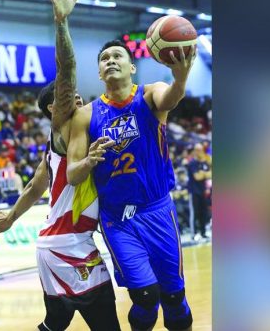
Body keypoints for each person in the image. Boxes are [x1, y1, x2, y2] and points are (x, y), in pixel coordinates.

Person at [0, 0, 120, 331]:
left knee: (55, 322)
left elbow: (32, 190)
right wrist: (62, 23)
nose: (74, 97)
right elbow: (68, 69)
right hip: (68, 243)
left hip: (54, 243)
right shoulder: (63, 126)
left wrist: (11, 218)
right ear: (52, 110)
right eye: (64, 96)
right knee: (106, 319)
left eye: (74, 94)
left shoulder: (55, 151)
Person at [67, 38, 197, 331]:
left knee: (174, 297)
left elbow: (172, 98)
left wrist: (181, 76)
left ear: (132, 68)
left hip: (158, 210)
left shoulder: (150, 95)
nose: (110, 60)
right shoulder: (85, 115)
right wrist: (88, 161)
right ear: (100, 73)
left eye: (117, 56)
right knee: (146, 296)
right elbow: (72, 174)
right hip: (118, 219)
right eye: (104, 59)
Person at [186, 143, 211, 240]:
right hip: (193, 191)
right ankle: (194, 234)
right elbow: (197, 177)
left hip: (203, 191)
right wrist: (204, 174)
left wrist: (203, 174)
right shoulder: (192, 163)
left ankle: (203, 232)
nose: (200, 152)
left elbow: (210, 174)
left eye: (201, 150)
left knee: (203, 212)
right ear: (195, 151)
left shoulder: (204, 163)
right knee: (194, 213)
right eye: (198, 150)